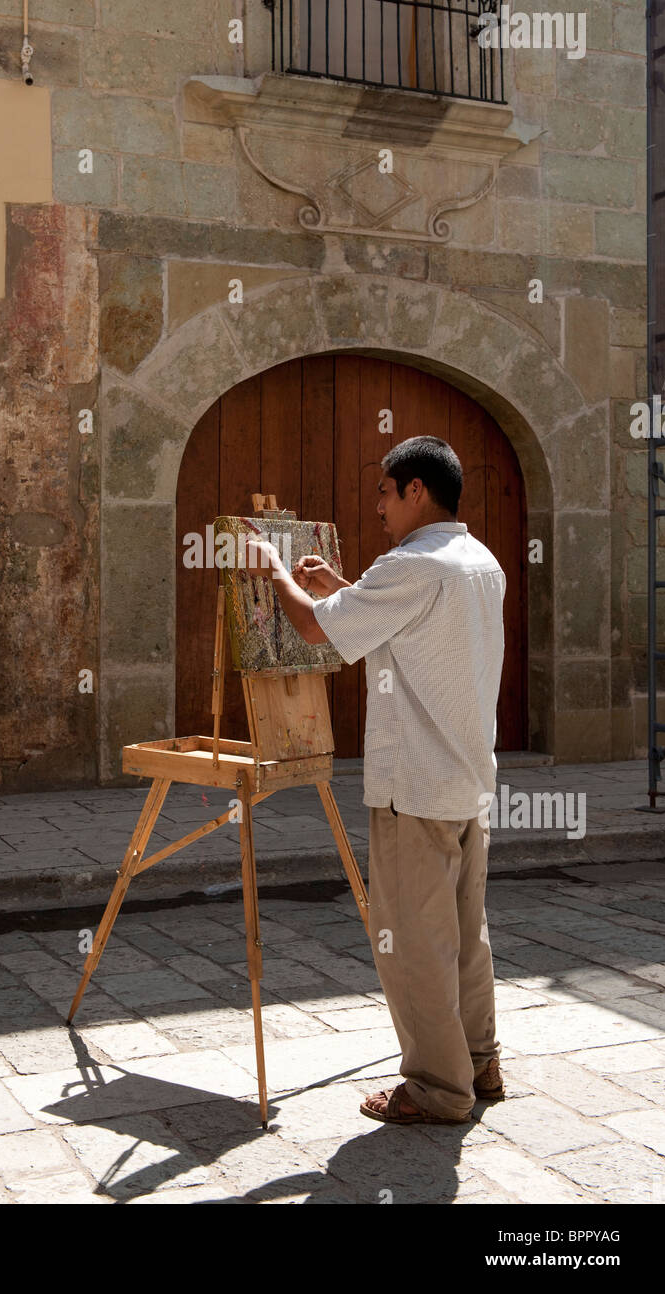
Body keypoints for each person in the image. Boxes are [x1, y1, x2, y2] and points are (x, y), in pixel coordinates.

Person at [242, 435, 506, 1124]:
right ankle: (480, 1062)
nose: (379, 506)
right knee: (466, 933)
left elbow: (311, 629)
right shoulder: (478, 560)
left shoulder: (411, 565)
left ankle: (438, 1088)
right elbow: (408, 628)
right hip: (467, 780)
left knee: (416, 944)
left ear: (417, 490)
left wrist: (275, 570)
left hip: (415, 785)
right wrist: (345, 589)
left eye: (386, 492)